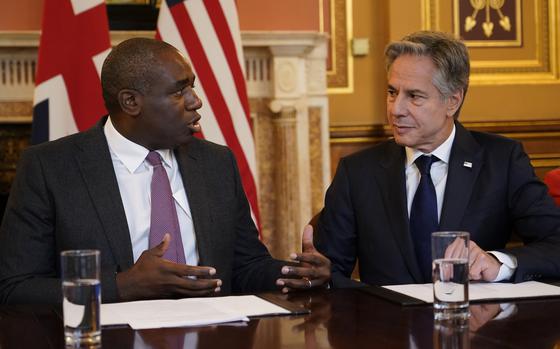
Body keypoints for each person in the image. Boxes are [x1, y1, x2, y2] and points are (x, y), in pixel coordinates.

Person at [0, 38, 330, 304]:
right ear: (131, 102)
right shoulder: (51, 168)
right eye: (179, 91)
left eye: (193, 87)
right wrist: (123, 286)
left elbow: (244, 265)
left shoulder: (216, 163)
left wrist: (292, 273)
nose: (195, 101)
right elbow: (15, 288)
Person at [316, 31, 560, 288]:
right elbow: (329, 272)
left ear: (452, 101)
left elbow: (556, 243)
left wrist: (498, 263)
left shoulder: (502, 161)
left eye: (414, 96)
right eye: (391, 92)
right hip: (384, 324)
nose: (395, 109)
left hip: (475, 324)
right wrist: (320, 272)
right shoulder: (357, 172)